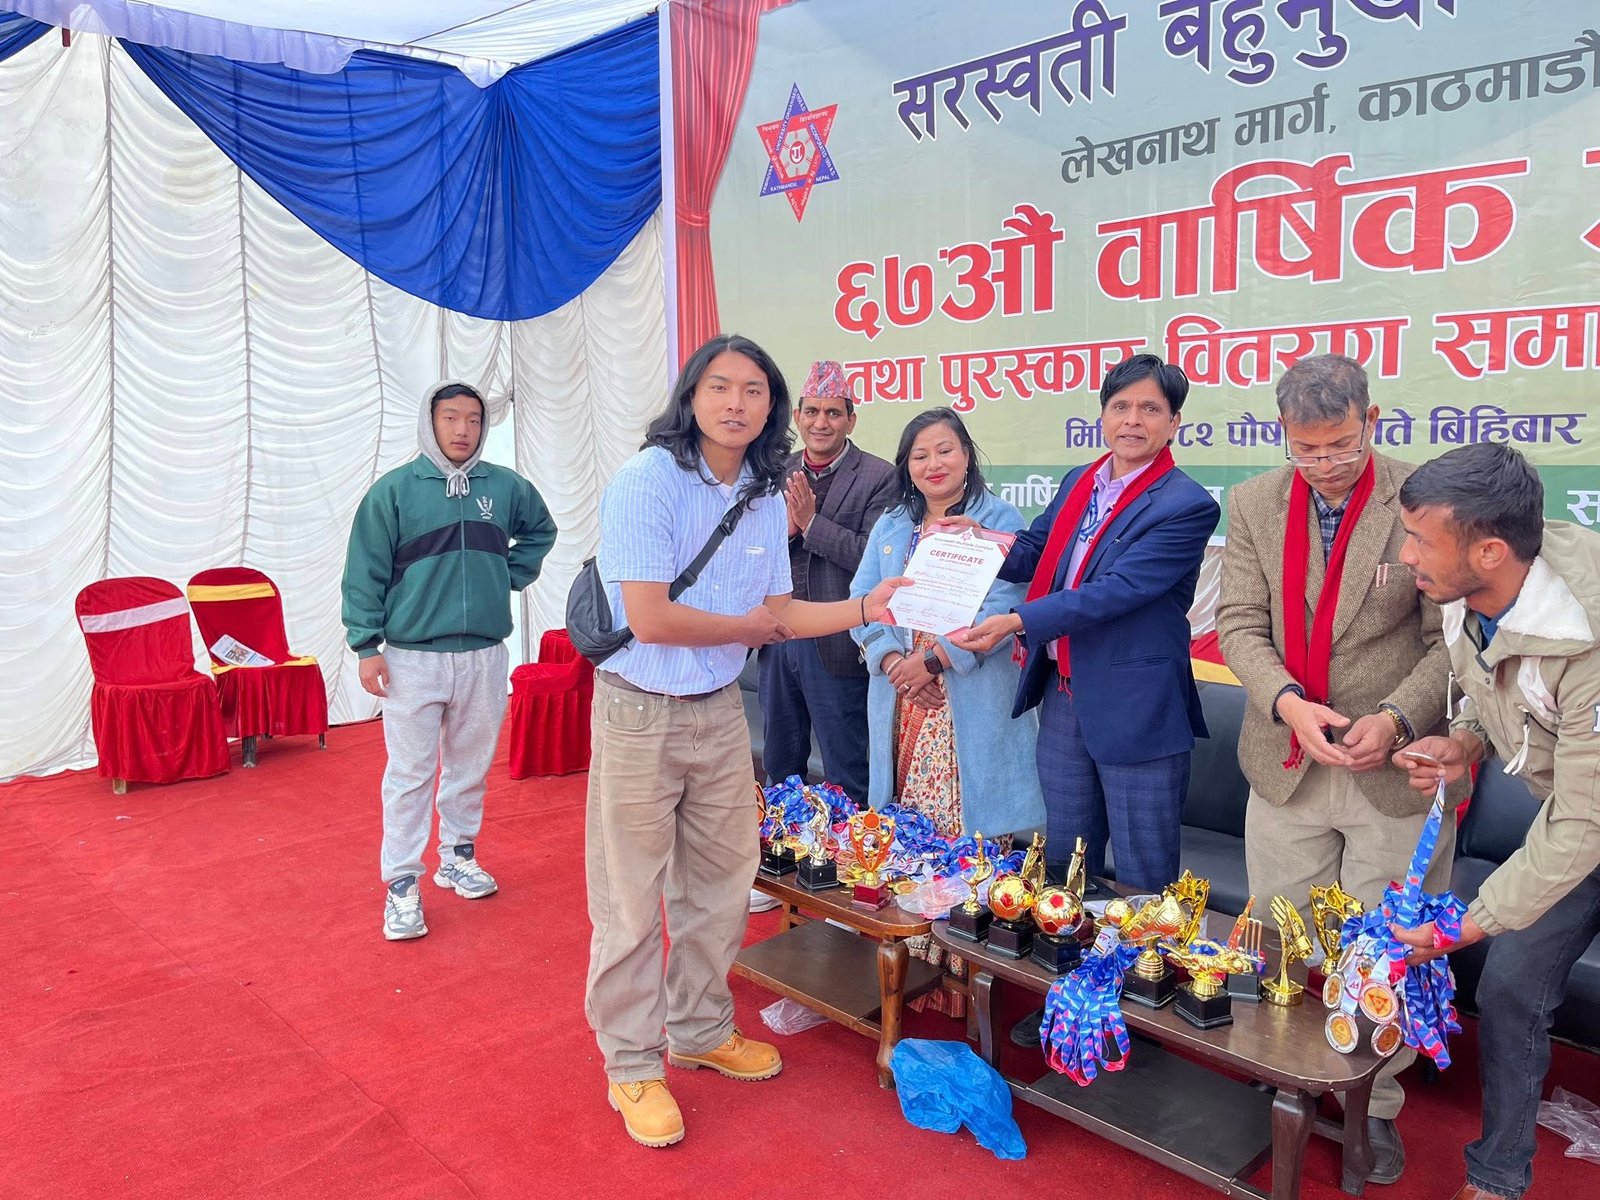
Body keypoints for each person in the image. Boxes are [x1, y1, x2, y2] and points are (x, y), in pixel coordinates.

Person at [585, 334, 908, 1149]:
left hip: (719, 710)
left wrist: (868, 606)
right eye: (721, 386)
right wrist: (747, 629)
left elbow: (783, 613)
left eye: (754, 390)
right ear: (692, 396)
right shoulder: (646, 480)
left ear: (772, 407)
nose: (736, 402)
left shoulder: (767, 492)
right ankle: (631, 1063)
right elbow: (650, 617)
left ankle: (698, 1030)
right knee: (630, 900)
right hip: (639, 711)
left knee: (723, 886)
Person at [1215, 354, 1459, 1185]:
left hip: (1392, 765)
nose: (1323, 464)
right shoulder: (1255, 502)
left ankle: (1371, 1103)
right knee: (1280, 932)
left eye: (1342, 446)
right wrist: (1287, 702)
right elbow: (1240, 624)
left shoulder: (1421, 499)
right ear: (1282, 433)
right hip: (1289, 759)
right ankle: (1284, 1078)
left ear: (1372, 420)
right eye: (1306, 449)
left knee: (1382, 944)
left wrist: (1394, 719)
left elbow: (1449, 642)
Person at [1389, 442, 1600, 1200]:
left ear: (1489, 550)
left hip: (1583, 818)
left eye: (1421, 539)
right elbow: (1496, 691)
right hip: (1575, 819)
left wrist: (1470, 924)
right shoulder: (1470, 595)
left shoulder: (1589, 636)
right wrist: (1465, 743)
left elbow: (1584, 821)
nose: (1406, 555)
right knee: (1511, 985)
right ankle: (1498, 1179)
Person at [950, 353, 1217, 895]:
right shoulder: (1082, 480)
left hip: (1137, 707)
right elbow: (1035, 550)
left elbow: (1116, 591)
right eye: (1120, 406)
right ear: (1103, 416)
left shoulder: (1186, 505)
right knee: (1067, 868)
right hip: (1065, 698)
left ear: (1174, 423)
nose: (1132, 420)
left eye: (1149, 409)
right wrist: (978, 545)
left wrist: (1017, 620)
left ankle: (1145, 952)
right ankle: (1070, 948)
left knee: (1144, 878)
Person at [342, 381, 557, 942]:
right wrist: (366, 647)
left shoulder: (504, 487)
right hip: (413, 658)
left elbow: (541, 530)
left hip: (484, 653)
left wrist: (505, 575)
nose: (463, 430)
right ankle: (401, 882)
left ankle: (458, 855)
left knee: (470, 767)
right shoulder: (393, 492)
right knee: (409, 774)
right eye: (450, 418)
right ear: (429, 423)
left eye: (474, 420)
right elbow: (363, 571)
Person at [849, 408, 1045, 1017]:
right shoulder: (892, 524)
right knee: (912, 832)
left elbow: (1006, 601)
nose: (933, 464)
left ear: (967, 455)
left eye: (945, 450)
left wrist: (935, 662)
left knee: (969, 839)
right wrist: (892, 662)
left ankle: (966, 973)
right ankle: (914, 964)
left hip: (968, 699)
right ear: (906, 466)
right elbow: (862, 601)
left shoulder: (1000, 521)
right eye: (920, 455)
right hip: (902, 700)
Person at [759, 361, 896, 801]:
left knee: (846, 771)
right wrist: (784, 533)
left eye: (833, 413)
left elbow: (873, 558)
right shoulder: (773, 471)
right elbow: (747, 556)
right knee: (780, 764)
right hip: (777, 638)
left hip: (838, 642)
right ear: (797, 416)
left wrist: (812, 525)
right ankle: (783, 840)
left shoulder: (880, 477)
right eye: (813, 411)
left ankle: (852, 845)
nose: (821, 422)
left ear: (851, 420)